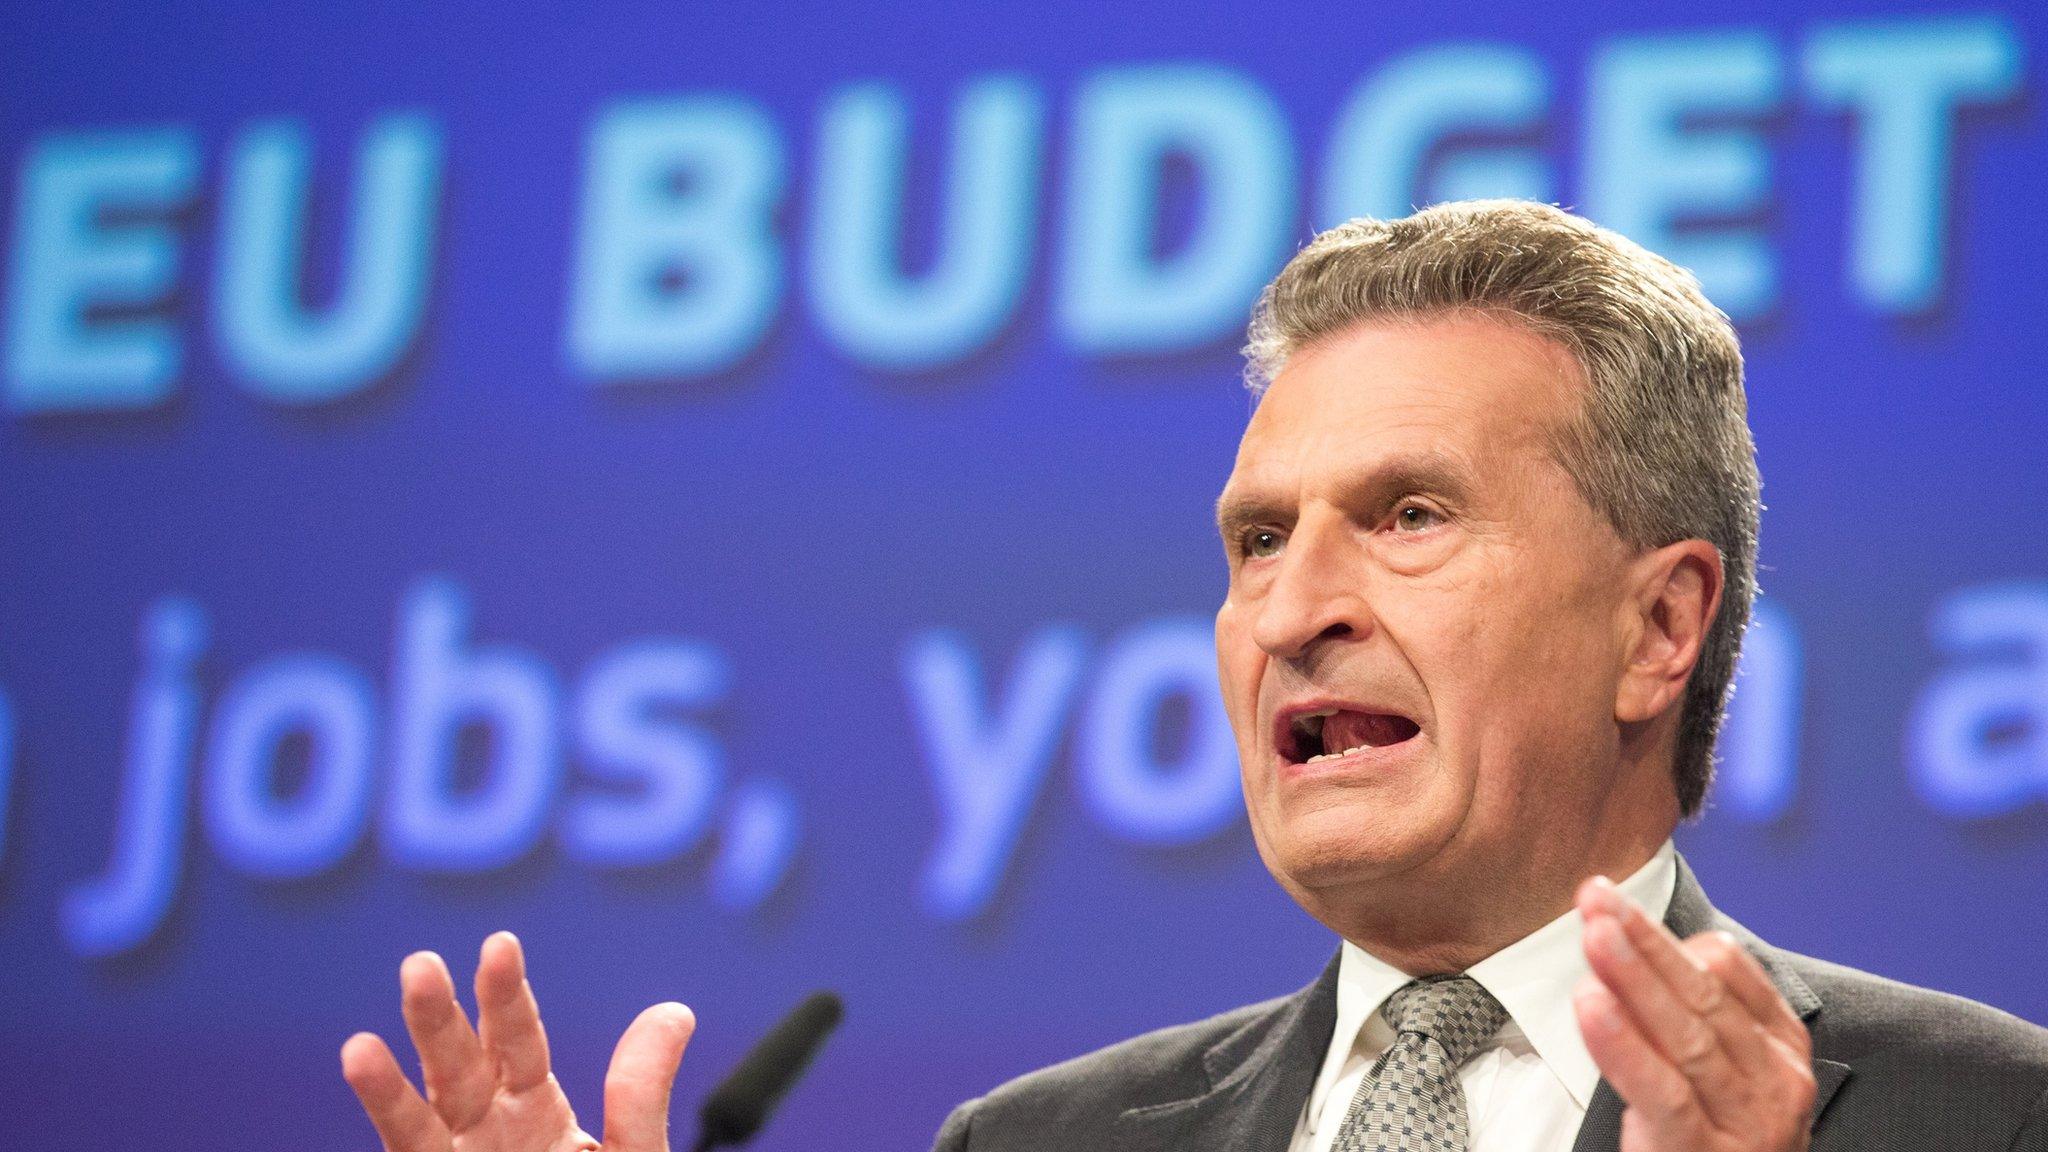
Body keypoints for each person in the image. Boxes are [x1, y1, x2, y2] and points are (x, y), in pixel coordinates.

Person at [339, 201, 2048, 1152]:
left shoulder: (1976, 1119)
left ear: (1659, 629)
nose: (1295, 605)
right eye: (1253, 541)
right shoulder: (1038, 1150)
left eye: (1411, 516)